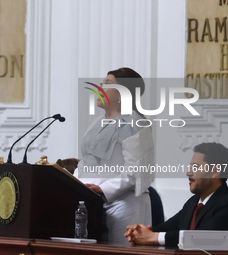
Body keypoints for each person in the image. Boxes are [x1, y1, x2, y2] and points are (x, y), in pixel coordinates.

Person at [74, 67, 154, 244]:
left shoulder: (135, 122)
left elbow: (136, 170)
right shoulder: (97, 122)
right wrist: (73, 184)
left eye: (107, 84)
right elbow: (86, 161)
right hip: (92, 202)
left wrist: (103, 189)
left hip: (124, 205)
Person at [125, 142, 228, 247]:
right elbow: (166, 228)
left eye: (196, 167)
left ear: (216, 171)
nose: (188, 173)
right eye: (190, 166)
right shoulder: (193, 202)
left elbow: (200, 237)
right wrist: (139, 232)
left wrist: (153, 237)